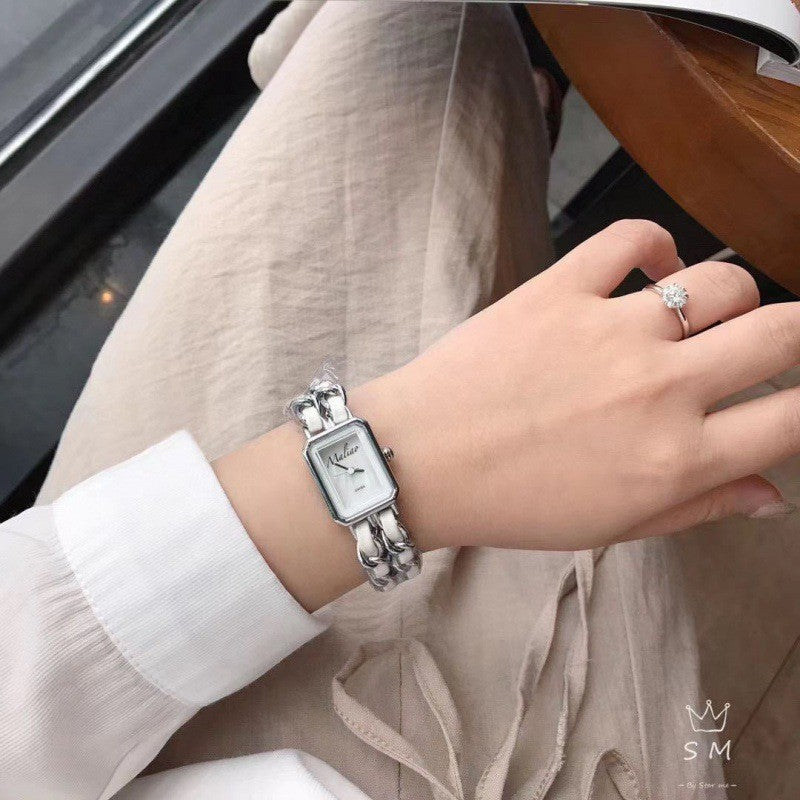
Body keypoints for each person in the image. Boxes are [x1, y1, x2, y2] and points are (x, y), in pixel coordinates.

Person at [2, 3, 797, 798]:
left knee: (408, 24)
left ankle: (510, 152)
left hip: (69, 657)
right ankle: (503, 192)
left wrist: (418, 442)